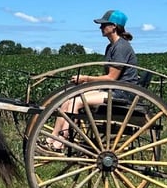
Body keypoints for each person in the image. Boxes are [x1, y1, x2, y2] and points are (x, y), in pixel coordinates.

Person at [44, 9, 139, 151]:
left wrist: (85, 79)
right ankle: (52, 138)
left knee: (76, 103)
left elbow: (111, 78)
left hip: (121, 93)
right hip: (112, 89)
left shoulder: (121, 47)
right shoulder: (111, 46)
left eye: (103, 24)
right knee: (68, 100)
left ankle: (60, 143)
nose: (100, 27)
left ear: (113, 26)